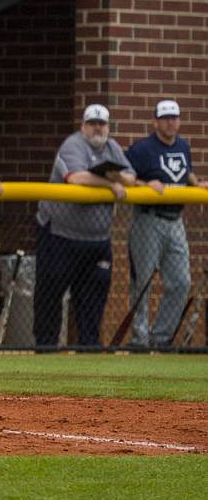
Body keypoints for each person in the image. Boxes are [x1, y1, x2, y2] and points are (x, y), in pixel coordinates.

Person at [35, 104, 139, 348]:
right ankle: (45, 349)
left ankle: (88, 351)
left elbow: (131, 178)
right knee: (51, 296)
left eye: (102, 124)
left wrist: (118, 179)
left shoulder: (112, 148)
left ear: (108, 127)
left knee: (93, 300)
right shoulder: (73, 145)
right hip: (60, 235)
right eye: (92, 123)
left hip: (97, 240)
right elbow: (76, 177)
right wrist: (109, 182)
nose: (97, 128)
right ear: (83, 126)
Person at [126, 100, 205, 348]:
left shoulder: (183, 146)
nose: (171, 122)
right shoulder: (142, 149)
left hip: (175, 221)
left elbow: (184, 172)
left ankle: (160, 339)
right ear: (155, 122)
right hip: (148, 219)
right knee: (143, 281)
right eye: (166, 118)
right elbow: (125, 176)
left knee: (181, 282)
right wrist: (144, 185)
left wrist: (195, 182)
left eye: (175, 117)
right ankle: (139, 341)